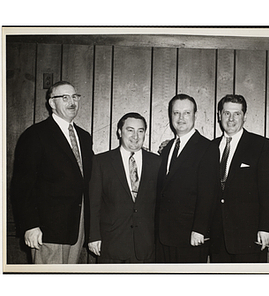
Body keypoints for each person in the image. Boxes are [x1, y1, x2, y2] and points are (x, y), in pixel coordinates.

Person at [11, 81, 93, 264]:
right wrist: (30, 225)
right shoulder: (35, 135)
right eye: (64, 98)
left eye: (74, 97)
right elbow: (22, 186)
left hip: (77, 227)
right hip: (47, 230)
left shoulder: (84, 137)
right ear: (51, 103)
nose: (72, 102)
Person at [210, 94, 269, 263]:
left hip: (250, 238)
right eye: (227, 113)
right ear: (219, 116)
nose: (231, 119)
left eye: (237, 114)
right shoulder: (210, 147)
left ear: (245, 117)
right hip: (218, 239)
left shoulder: (260, 145)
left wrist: (266, 228)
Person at [88, 112, 161, 263]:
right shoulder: (101, 162)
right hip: (111, 245)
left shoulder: (157, 163)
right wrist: (93, 236)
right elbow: (93, 203)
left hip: (146, 247)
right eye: (130, 130)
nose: (135, 136)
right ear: (119, 132)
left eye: (140, 131)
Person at [156, 94, 220, 263]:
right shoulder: (168, 147)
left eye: (186, 113)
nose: (181, 118)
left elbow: (209, 193)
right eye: (176, 113)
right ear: (170, 116)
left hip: (190, 236)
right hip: (163, 236)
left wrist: (200, 229)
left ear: (195, 116)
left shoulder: (208, 148)